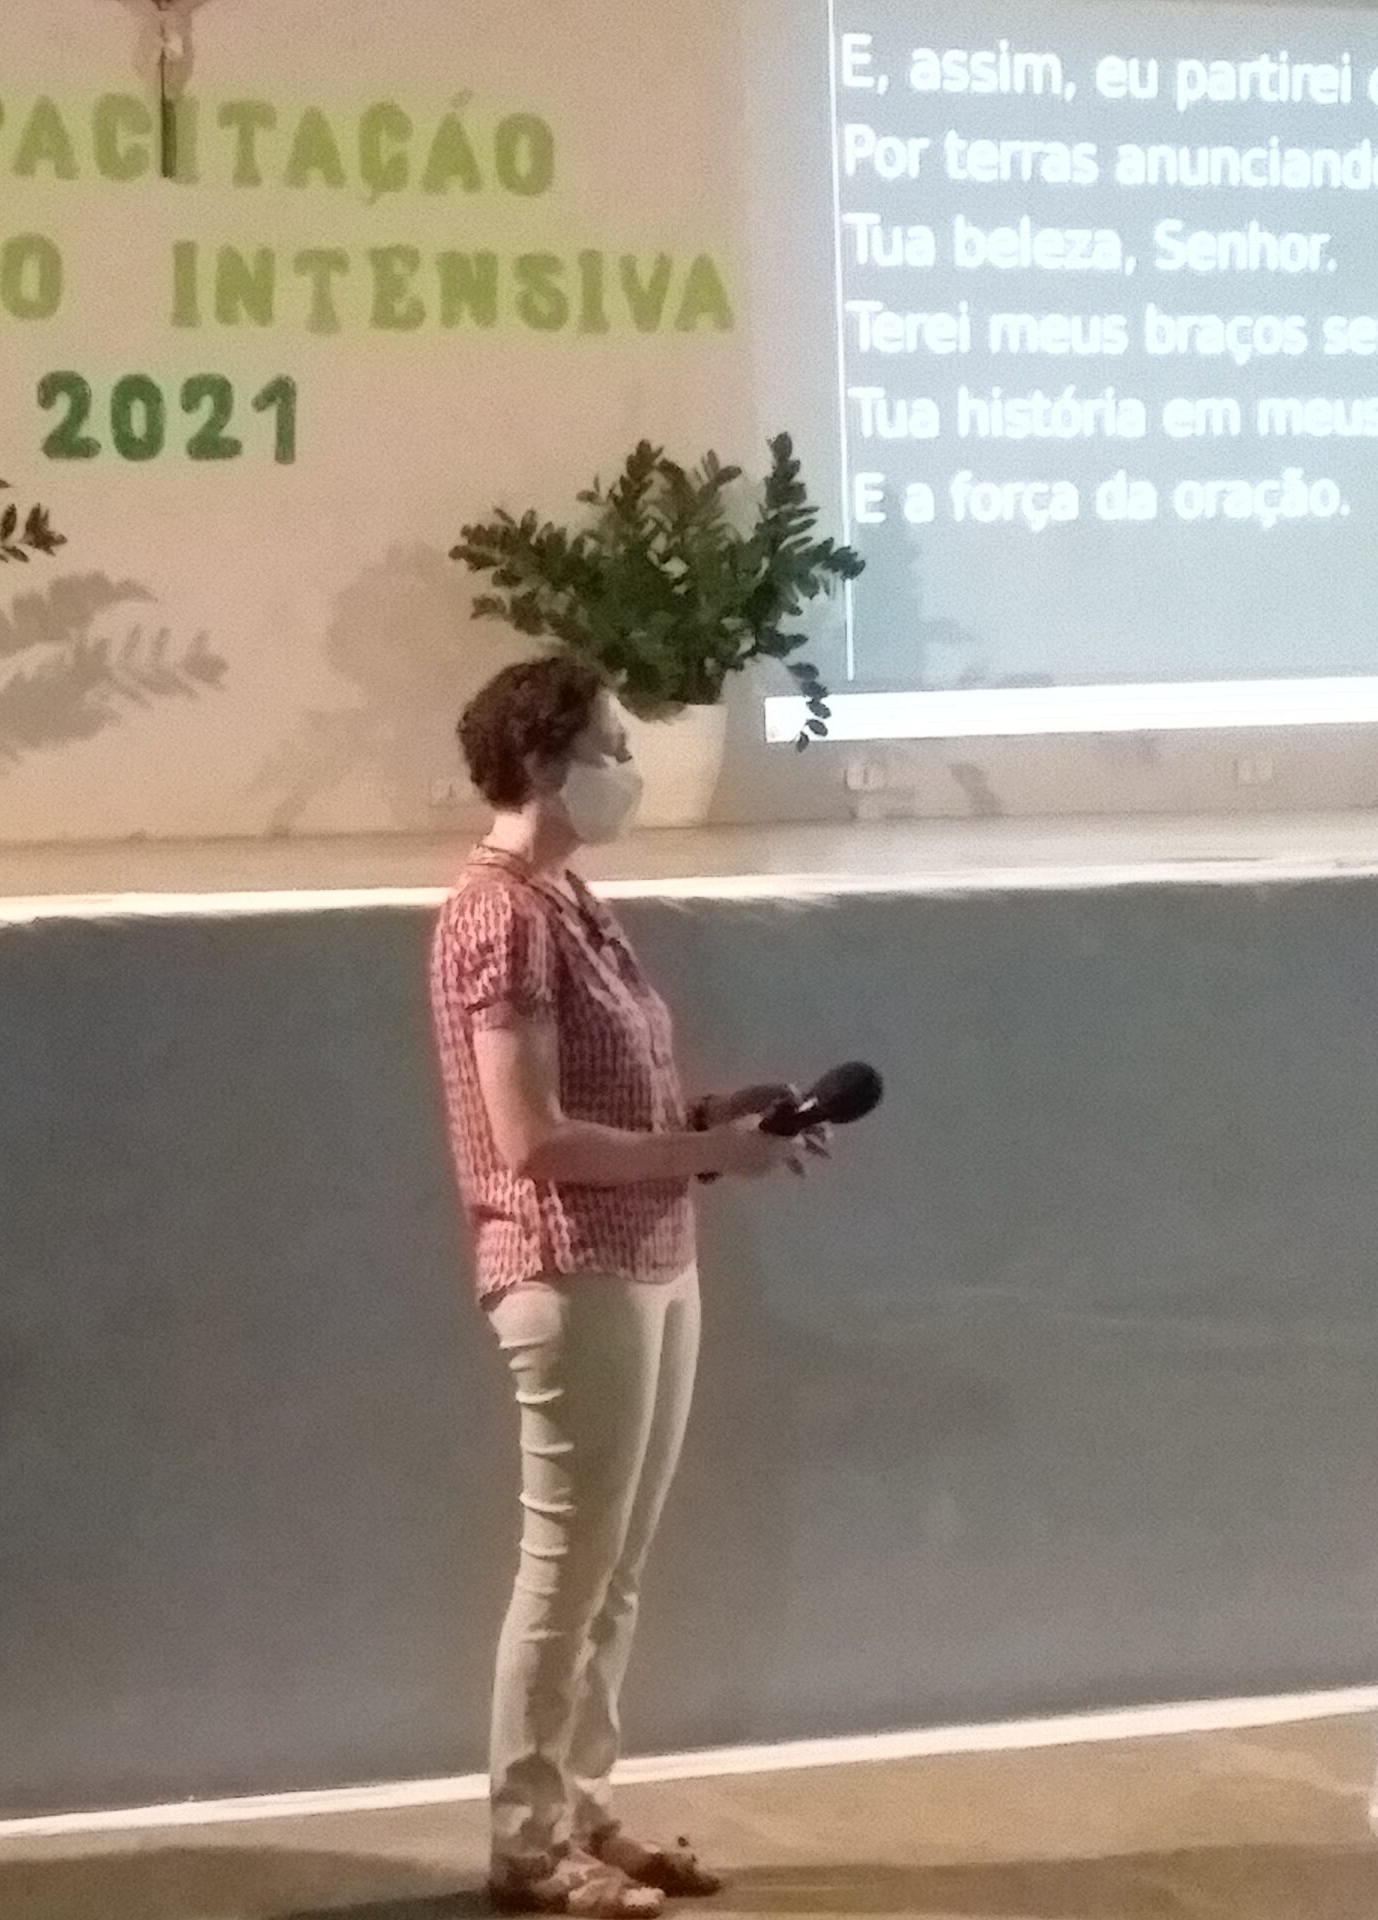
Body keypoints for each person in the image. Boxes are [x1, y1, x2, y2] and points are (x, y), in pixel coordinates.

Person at [426, 652, 827, 1918]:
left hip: (652, 1257)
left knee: (616, 1570)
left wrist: (715, 1118)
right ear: (542, 761)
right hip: (568, 1266)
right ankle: (524, 1843)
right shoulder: (497, 915)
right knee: (565, 1571)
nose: (629, 770)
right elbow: (533, 1139)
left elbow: (610, 1103)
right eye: (610, 748)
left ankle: (578, 1805)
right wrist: (711, 1156)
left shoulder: (574, 900)